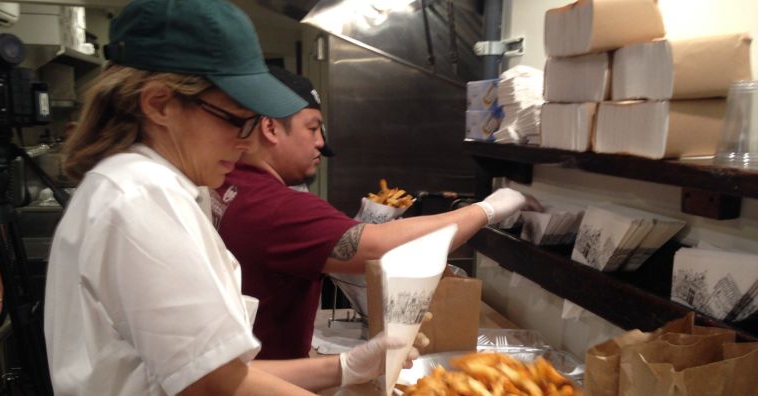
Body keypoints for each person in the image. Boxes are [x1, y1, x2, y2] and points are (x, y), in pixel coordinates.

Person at [44, 1, 428, 396]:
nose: (247, 144)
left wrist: (343, 369)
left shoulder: (161, 189)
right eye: (236, 121)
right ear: (159, 105)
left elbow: (209, 374)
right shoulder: (139, 199)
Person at [214, 66, 539, 359]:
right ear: (270, 128)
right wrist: (487, 209)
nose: (320, 143)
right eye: (312, 129)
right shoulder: (274, 206)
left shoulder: (227, 183)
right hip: (262, 394)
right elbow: (381, 248)